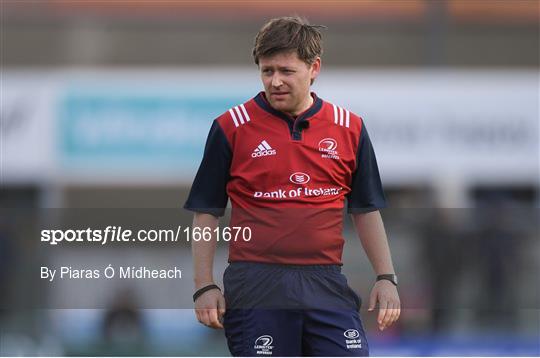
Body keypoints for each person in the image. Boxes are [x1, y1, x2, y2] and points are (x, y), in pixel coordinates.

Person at [184, 16, 400, 356]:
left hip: (325, 282)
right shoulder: (231, 127)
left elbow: (366, 209)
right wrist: (203, 286)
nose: (275, 81)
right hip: (257, 284)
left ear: (314, 68)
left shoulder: (350, 128)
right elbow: (205, 214)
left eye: (286, 71)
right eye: (267, 71)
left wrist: (386, 277)